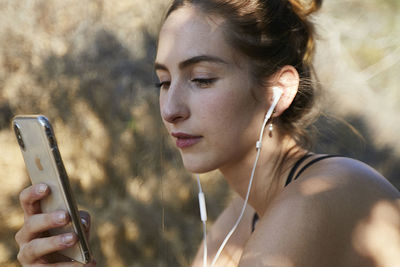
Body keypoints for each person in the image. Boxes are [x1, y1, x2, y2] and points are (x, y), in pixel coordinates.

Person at [15, 0, 400, 266]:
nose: (171, 109)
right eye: (163, 81)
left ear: (277, 91)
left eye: (201, 79)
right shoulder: (241, 216)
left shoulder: (318, 198)